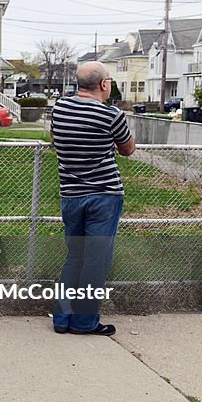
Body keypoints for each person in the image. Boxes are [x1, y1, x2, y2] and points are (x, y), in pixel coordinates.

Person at [49, 62, 135, 336]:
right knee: (96, 261)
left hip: (71, 196)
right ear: (103, 85)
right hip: (104, 197)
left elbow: (54, 138)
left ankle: (61, 319)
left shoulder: (60, 108)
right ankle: (85, 322)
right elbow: (128, 149)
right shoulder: (111, 115)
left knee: (75, 256)